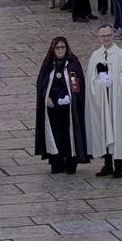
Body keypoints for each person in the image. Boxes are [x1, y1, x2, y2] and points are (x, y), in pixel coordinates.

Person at [85, 24, 122, 178]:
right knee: (104, 131)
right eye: (103, 36)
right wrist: (100, 83)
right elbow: (91, 80)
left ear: (113, 35)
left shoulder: (121, 55)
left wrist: (113, 82)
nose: (106, 38)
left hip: (117, 100)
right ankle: (107, 164)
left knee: (118, 131)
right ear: (99, 37)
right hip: (102, 101)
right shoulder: (95, 55)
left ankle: (118, 166)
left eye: (108, 35)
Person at [33, 36, 88, 173]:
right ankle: (56, 162)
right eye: (57, 47)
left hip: (69, 109)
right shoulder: (48, 65)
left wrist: (71, 98)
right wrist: (47, 99)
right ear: (53, 49)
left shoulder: (73, 64)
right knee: (55, 134)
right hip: (53, 109)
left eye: (62, 47)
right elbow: (42, 85)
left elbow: (78, 85)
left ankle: (71, 162)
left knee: (70, 135)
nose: (60, 50)